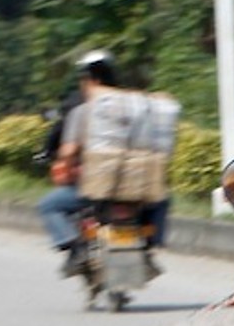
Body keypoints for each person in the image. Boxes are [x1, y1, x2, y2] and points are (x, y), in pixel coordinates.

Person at [38, 51, 170, 277]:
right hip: (138, 187)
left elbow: (69, 151)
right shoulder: (135, 108)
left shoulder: (84, 110)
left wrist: (65, 162)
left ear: (92, 81)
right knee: (163, 199)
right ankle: (148, 248)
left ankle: (76, 249)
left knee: (49, 205)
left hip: (96, 189)